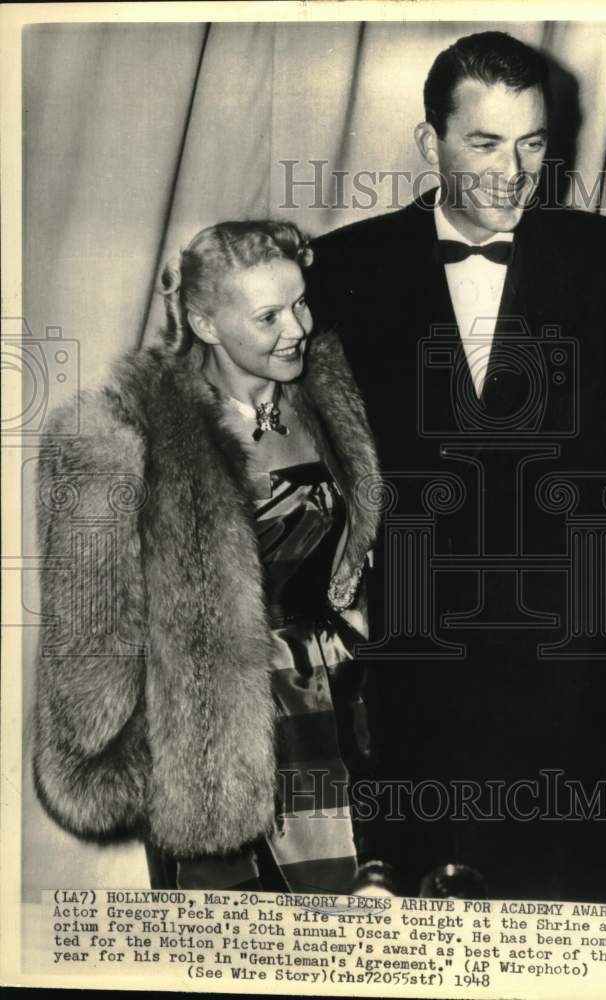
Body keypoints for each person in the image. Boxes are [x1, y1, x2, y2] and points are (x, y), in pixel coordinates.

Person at [306, 31, 606, 903]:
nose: (514, 172)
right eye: (484, 142)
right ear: (428, 141)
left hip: (583, 677)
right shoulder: (342, 268)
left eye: (534, 142)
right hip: (408, 681)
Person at [32, 220, 380, 893]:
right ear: (206, 324)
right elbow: (90, 639)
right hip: (217, 747)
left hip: (346, 721)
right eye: (269, 315)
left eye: (301, 303)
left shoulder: (332, 396)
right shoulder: (119, 436)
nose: (298, 328)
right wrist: (123, 757)